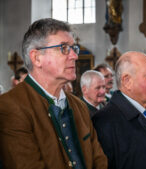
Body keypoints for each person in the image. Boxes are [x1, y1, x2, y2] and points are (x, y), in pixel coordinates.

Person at [0, 18, 107, 169]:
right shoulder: (10, 107)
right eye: (63, 48)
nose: (75, 56)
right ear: (37, 58)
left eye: (73, 48)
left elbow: (99, 160)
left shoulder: (79, 106)